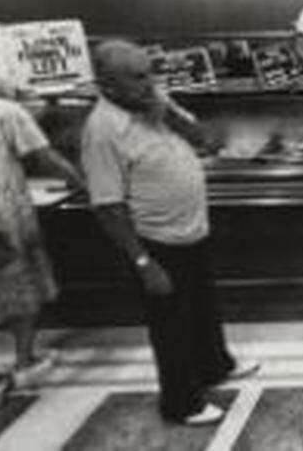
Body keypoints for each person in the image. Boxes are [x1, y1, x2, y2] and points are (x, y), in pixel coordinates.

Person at [81, 40, 258, 425]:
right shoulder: (103, 130)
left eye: (150, 73)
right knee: (170, 325)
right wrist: (144, 263)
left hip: (191, 228)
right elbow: (107, 206)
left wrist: (168, 114)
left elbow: (204, 139)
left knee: (202, 308)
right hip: (155, 241)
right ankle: (181, 403)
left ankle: (215, 365)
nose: (149, 83)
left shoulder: (155, 103)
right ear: (107, 84)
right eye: (137, 77)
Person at [0, 67, 84, 406]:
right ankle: (24, 361)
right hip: (0, 217)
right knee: (22, 287)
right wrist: (80, 181)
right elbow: (45, 158)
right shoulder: (5, 111)